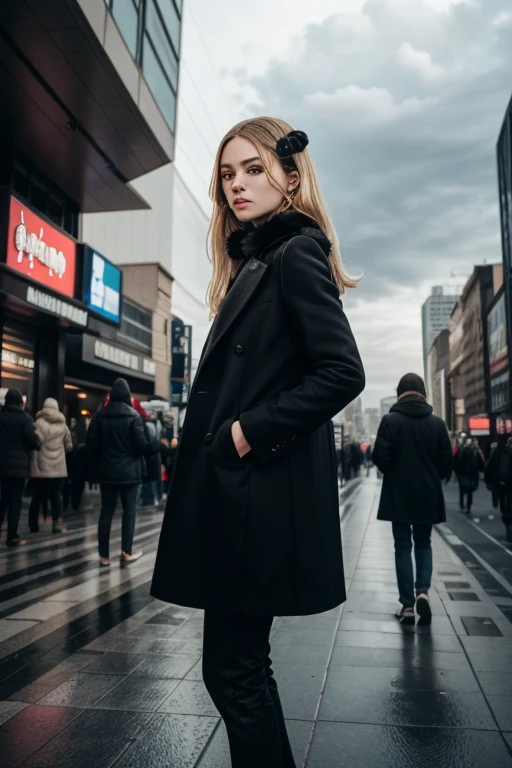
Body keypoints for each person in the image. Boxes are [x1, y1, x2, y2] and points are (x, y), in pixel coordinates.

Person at [151, 117, 365, 768]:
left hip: (254, 500)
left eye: (251, 169)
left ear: (290, 177)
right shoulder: (256, 260)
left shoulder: (294, 252)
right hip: (242, 500)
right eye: (225, 174)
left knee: (235, 673)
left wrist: (247, 432)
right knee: (237, 671)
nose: (235, 185)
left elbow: (342, 371)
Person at [373, 373, 453, 626]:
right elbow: (446, 462)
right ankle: (423, 592)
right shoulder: (437, 424)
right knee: (423, 543)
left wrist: (395, 473)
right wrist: (431, 478)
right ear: (423, 393)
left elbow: (380, 457)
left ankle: (407, 605)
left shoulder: (390, 421)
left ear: (400, 394)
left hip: (399, 493)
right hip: (428, 494)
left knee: (402, 546)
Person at [86, 378, 148, 567]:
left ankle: (104, 556)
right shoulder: (133, 416)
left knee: (106, 512)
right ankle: (126, 553)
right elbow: (141, 445)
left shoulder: (100, 416)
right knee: (129, 512)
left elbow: (91, 444)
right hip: (130, 473)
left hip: (107, 472)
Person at [0, 389, 41, 546]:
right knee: (16, 500)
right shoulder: (25, 419)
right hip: (18, 468)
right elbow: (33, 442)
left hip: (2, 465)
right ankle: (12, 536)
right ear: (20, 403)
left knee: (3, 499)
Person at [29, 398, 72, 534]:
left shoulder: (39, 423)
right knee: (56, 495)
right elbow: (69, 445)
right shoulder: (63, 425)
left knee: (37, 496)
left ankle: (33, 525)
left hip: (42, 467)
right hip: (58, 467)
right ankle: (57, 524)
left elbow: (35, 442)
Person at [484, 437, 512, 543]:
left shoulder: (501, 453)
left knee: (506, 509)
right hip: (504, 485)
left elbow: (489, 467)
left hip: (503, 485)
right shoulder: (501, 453)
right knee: (506, 509)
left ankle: (509, 532)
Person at [454, 437, 484, 514]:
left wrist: (457, 472)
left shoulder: (461, 450)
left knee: (462, 489)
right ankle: (468, 506)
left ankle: (461, 504)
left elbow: (456, 461)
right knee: (470, 491)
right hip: (472, 474)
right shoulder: (476, 451)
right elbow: (481, 463)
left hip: (463, 473)